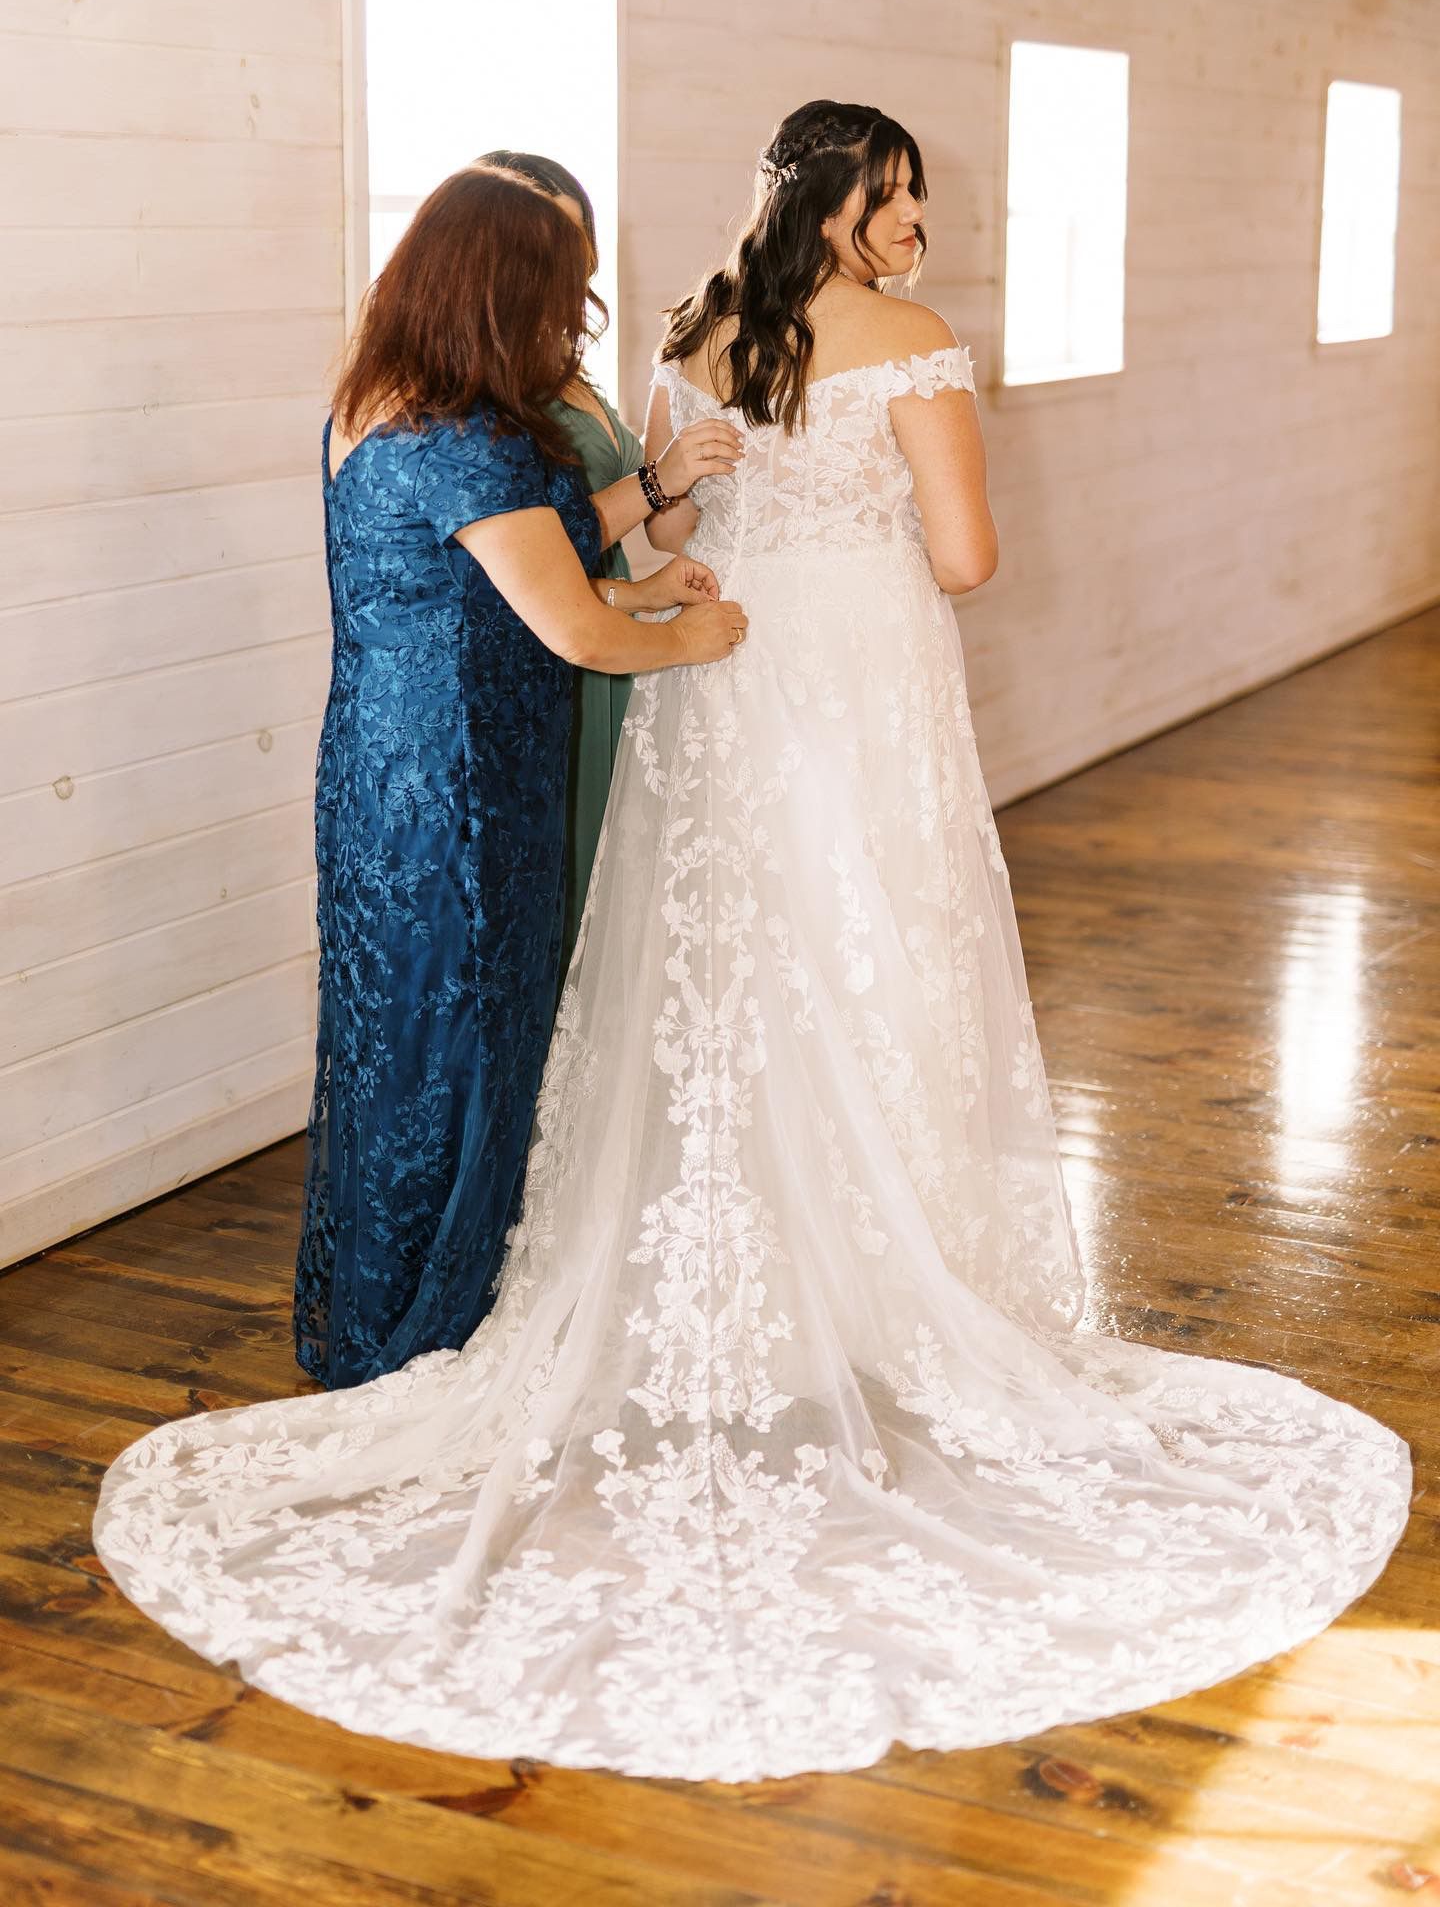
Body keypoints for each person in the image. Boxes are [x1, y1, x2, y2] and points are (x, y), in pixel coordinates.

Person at [95, 105, 1409, 1781]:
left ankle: (692, 1284)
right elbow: (964, 556)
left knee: (702, 984)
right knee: (869, 961)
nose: (921, 215)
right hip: (848, 688)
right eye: (906, 190)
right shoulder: (915, 344)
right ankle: (862, 1306)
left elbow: (662, 544)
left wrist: (705, 540)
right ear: (854, 206)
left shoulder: (697, 334)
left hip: (723, 695)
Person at [291, 162, 746, 1390]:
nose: (572, 319)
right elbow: (576, 632)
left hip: (386, 767)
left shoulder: (380, 399)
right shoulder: (463, 440)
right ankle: (432, 1336)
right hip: (463, 791)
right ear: (501, 291)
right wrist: (689, 635)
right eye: (558, 294)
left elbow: (526, 559)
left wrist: (652, 501)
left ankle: (379, 1313)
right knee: (470, 1050)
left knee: (399, 1045)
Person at [476, 149, 742, 970]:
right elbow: (534, 553)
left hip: (612, 620)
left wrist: (648, 584)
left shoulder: (568, 367)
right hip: (566, 654)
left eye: (574, 241)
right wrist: (661, 481)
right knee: (578, 876)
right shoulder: (500, 389)